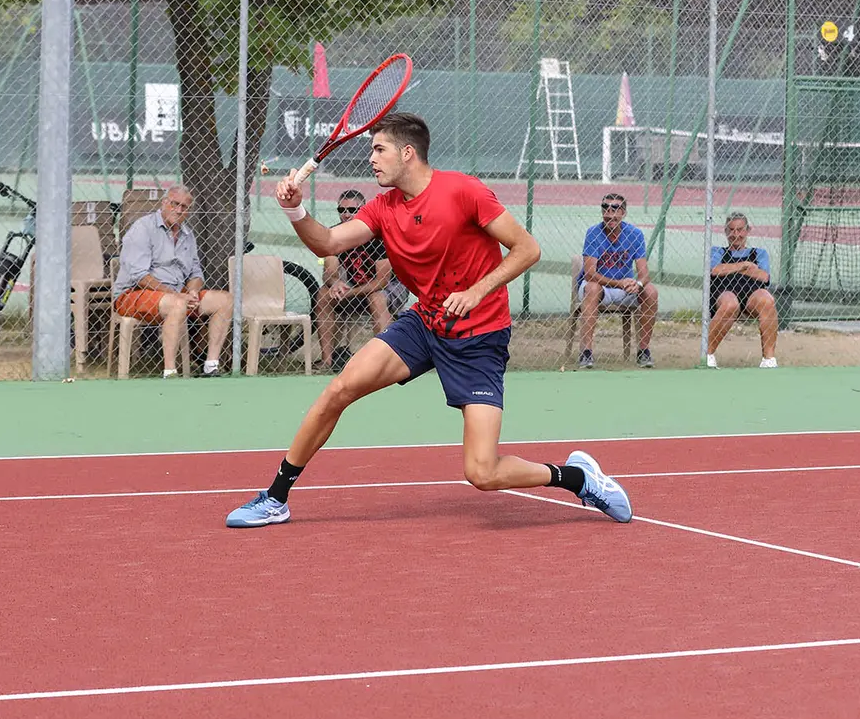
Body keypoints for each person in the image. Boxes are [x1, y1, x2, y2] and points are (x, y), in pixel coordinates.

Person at [226, 111, 632, 528]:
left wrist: (477, 290)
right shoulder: (383, 208)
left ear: (408, 152)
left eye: (379, 150)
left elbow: (527, 248)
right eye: (371, 150)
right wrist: (295, 211)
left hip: (479, 337)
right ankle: (275, 498)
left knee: (482, 472)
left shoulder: (464, 192)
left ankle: (577, 477)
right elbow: (327, 240)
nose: (372, 159)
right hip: (424, 323)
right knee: (340, 388)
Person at [111, 185, 233, 377]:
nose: (178, 210)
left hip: (176, 293)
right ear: (164, 203)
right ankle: (170, 371)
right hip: (134, 294)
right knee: (177, 304)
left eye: (184, 207)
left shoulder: (187, 235)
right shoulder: (143, 228)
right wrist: (176, 295)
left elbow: (196, 272)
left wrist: (192, 291)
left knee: (225, 300)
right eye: (174, 204)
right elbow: (140, 276)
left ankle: (211, 366)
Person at [316, 188, 409, 371]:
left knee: (377, 298)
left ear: (362, 210)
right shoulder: (336, 234)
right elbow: (329, 271)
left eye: (352, 210)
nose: (345, 214)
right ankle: (327, 362)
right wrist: (335, 283)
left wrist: (349, 292)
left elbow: (382, 282)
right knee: (323, 294)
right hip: (356, 287)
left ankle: (383, 364)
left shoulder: (379, 235)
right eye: (341, 210)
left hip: (391, 287)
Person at [578, 193, 658, 369]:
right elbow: (590, 274)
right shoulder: (593, 233)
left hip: (624, 289)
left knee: (651, 291)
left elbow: (644, 274)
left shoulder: (635, 234)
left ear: (623, 213)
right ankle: (586, 352)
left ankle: (643, 351)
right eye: (605, 208)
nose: (609, 213)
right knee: (592, 288)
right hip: (599, 288)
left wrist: (637, 285)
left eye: (615, 209)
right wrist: (619, 283)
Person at [706, 212, 778, 369]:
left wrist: (730, 268)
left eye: (740, 230)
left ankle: (769, 359)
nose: (735, 234)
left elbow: (763, 276)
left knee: (767, 300)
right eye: (731, 230)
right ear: (725, 231)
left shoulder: (759, 253)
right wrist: (744, 265)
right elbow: (715, 270)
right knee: (730, 303)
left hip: (751, 294)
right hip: (724, 292)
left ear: (747, 230)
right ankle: (708, 355)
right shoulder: (717, 251)